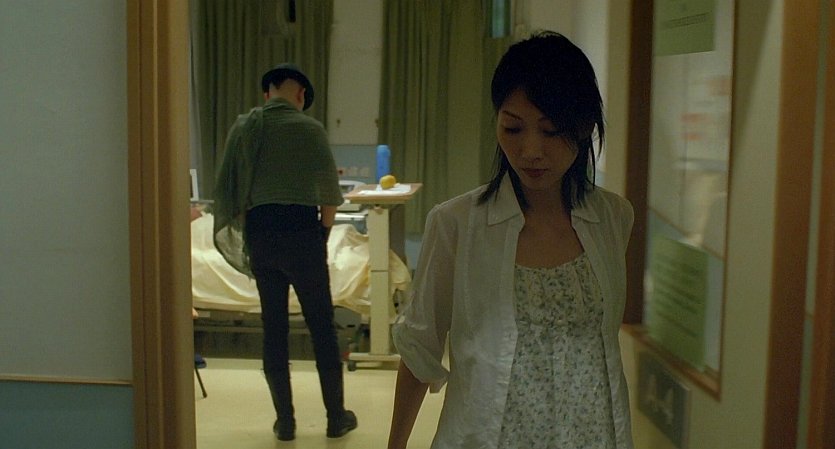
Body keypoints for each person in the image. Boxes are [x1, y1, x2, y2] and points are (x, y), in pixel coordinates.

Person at [387, 31, 635, 449]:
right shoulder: (456, 224)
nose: (530, 150)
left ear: (585, 127)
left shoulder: (613, 218)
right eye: (513, 128)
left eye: (551, 130)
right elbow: (418, 349)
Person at [212, 63, 357, 441]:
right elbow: (330, 198)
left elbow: (230, 192)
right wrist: (320, 236)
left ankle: (286, 422)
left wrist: (255, 231)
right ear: (301, 95)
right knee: (321, 327)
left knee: (274, 329)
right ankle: (336, 417)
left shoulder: (244, 128)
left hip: (262, 236)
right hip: (303, 235)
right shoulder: (310, 130)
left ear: (267, 93)